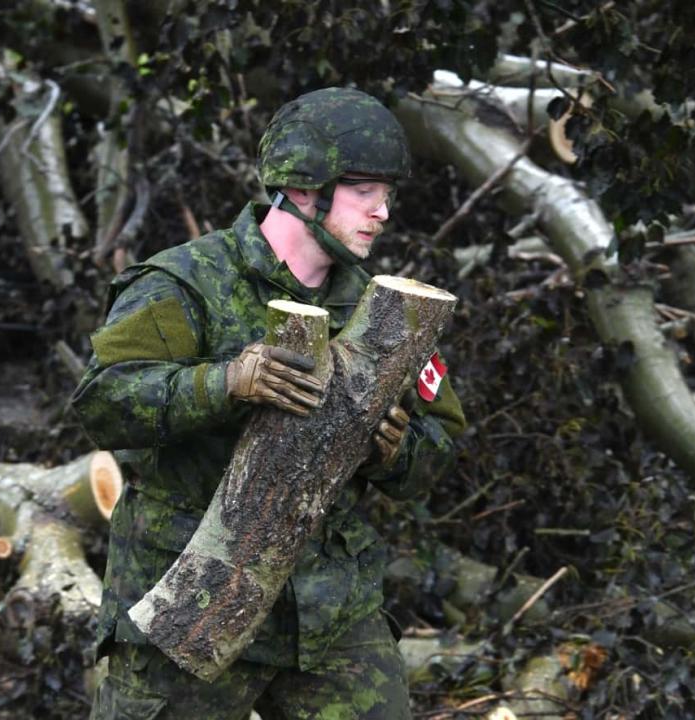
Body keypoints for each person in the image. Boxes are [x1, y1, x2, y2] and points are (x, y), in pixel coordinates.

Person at [72, 87, 465, 720]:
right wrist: (225, 383)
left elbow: (438, 453)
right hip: (192, 597)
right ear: (307, 188)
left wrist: (393, 447)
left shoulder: (385, 315)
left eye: (387, 195)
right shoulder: (187, 282)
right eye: (366, 192)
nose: (383, 212)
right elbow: (102, 400)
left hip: (329, 612)